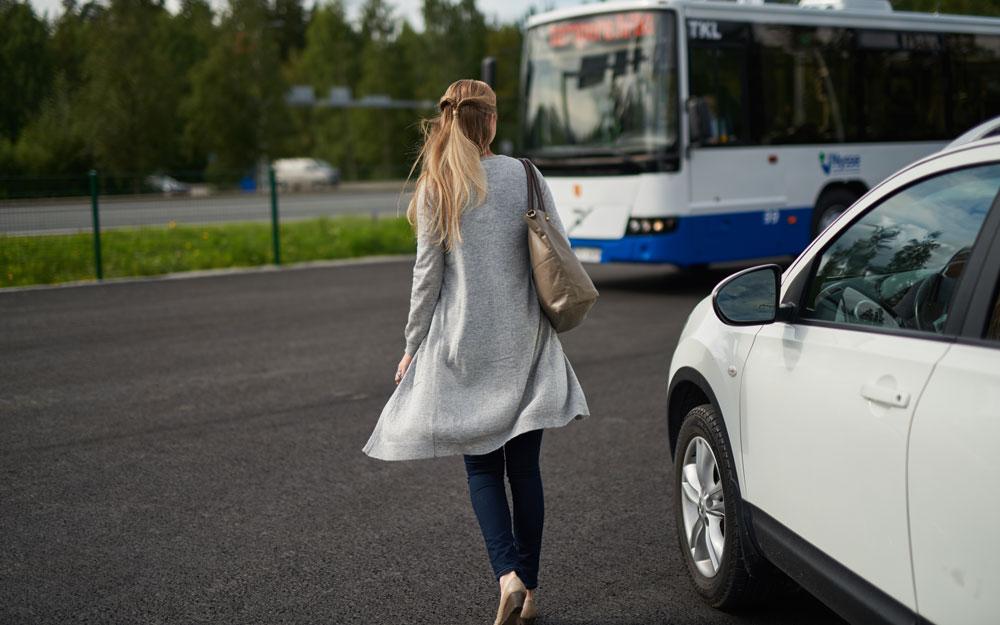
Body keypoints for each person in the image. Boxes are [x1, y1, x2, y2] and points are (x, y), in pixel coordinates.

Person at [362, 79, 591, 625]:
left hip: (463, 346)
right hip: (525, 342)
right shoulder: (525, 174)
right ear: (490, 120)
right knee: (525, 472)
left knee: (483, 472)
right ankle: (529, 590)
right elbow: (557, 246)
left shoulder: (438, 185)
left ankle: (506, 574)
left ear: (449, 121)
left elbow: (427, 277)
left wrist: (412, 345)